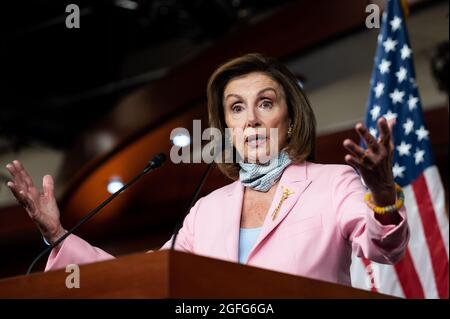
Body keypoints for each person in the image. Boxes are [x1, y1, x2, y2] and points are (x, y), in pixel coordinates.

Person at [5, 53, 409, 286]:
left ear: (291, 121)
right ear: (227, 129)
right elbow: (144, 277)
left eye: (265, 103)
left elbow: (384, 249)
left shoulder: (331, 183)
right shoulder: (208, 210)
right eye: (236, 108)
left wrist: (385, 196)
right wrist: (57, 235)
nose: (251, 119)